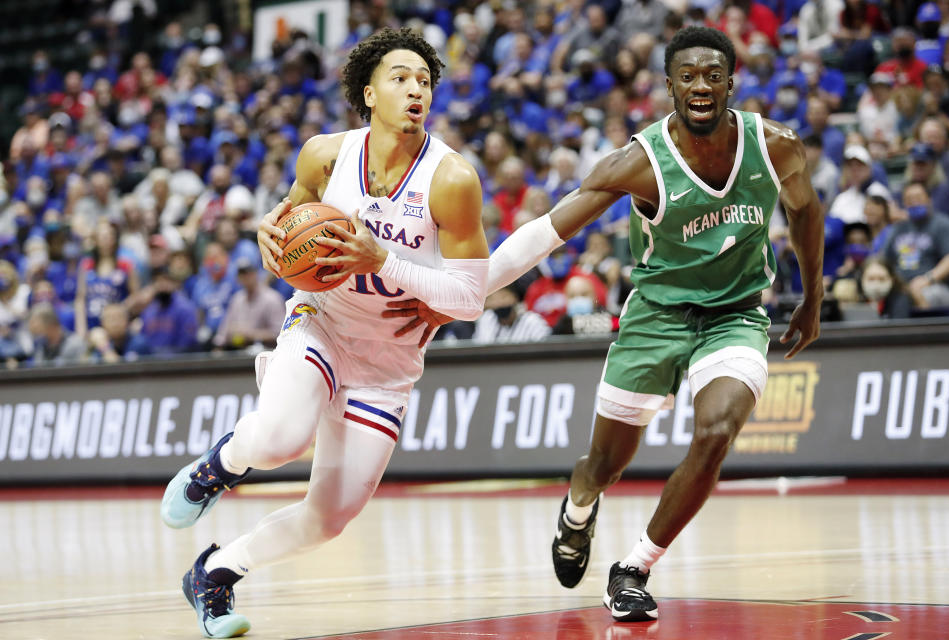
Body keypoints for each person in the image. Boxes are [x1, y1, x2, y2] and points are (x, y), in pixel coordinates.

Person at [386, 26, 824, 623]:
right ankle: (578, 509)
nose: (701, 86)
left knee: (717, 431)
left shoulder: (776, 146)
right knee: (604, 465)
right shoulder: (637, 163)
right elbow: (544, 235)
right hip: (655, 317)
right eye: (688, 76)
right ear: (668, 86)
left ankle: (635, 567)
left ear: (731, 84)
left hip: (736, 313)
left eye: (713, 76)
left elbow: (805, 212)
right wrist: (459, 292)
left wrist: (813, 299)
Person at [159, 28, 488, 639]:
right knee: (279, 439)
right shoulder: (325, 155)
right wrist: (269, 236)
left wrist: (382, 261)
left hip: (389, 362)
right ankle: (218, 466)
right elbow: (288, 224)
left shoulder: (451, 179)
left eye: (424, 81)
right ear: (368, 92)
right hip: (322, 321)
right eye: (400, 78)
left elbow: (470, 298)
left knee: (329, 518)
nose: (415, 89)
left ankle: (215, 573)